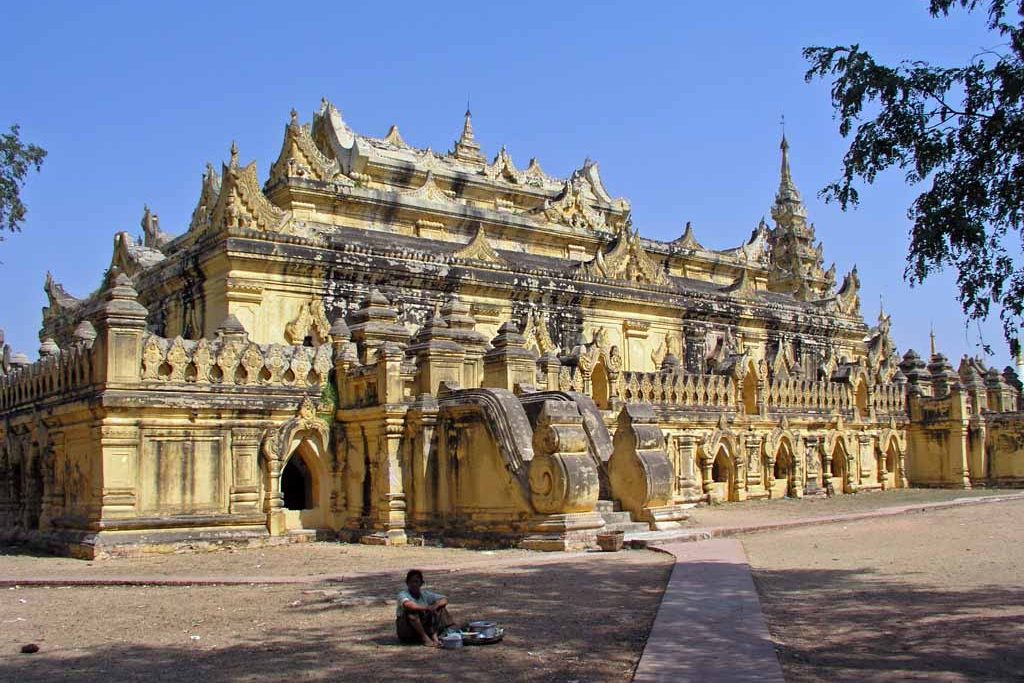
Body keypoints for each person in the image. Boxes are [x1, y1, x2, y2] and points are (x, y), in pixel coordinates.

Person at [396, 569, 455, 648]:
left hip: (424, 627)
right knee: (411, 612)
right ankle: (425, 638)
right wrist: (427, 608)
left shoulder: (425, 594)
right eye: (411, 582)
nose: (414, 584)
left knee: (440, 607)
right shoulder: (403, 594)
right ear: (407, 583)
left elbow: (444, 599)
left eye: (416, 582)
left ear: (421, 583)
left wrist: (435, 606)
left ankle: (434, 635)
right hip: (407, 631)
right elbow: (408, 605)